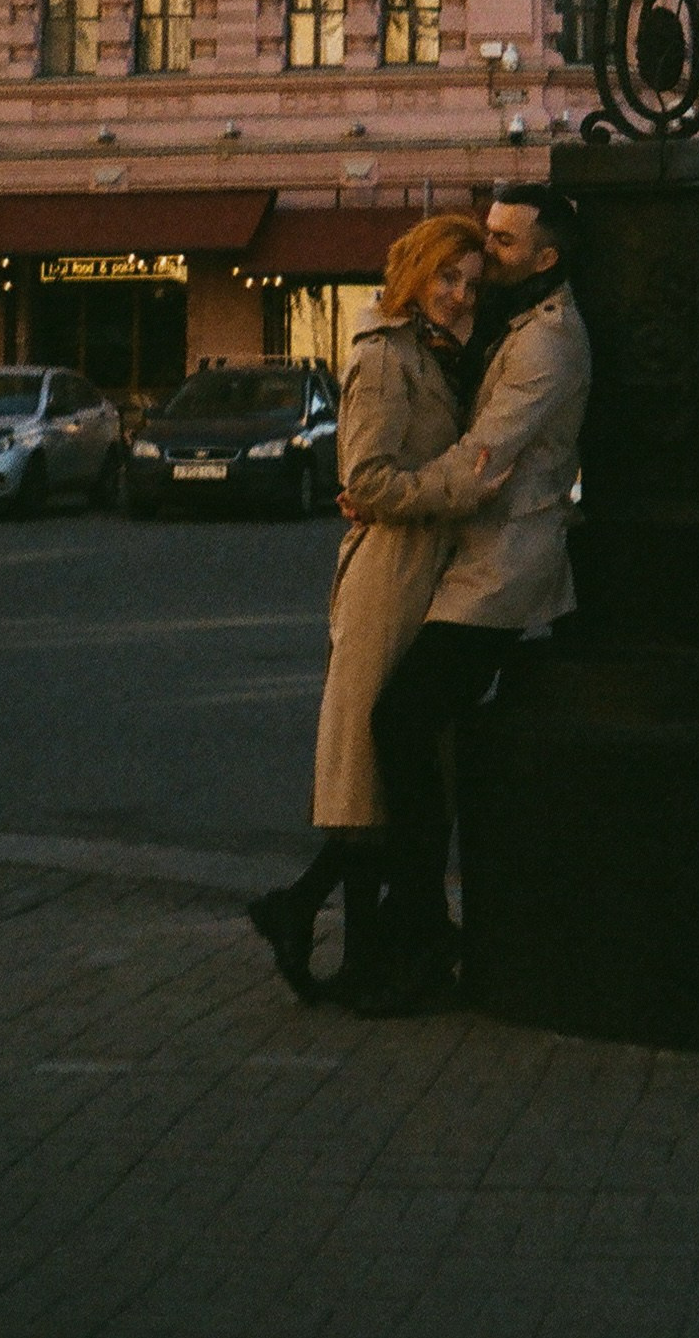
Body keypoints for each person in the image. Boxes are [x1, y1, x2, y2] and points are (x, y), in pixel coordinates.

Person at [354, 185, 592, 1014]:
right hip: (478, 558)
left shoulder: (549, 344)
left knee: (402, 720)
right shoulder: (519, 321)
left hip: (502, 568)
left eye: (501, 240)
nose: (485, 253)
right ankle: (412, 922)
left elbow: (482, 463)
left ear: (545, 256)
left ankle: (420, 930)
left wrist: (386, 492)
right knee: (418, 730)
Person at [247, 213, 490, 1002]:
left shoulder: (437, 355)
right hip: (390, 570)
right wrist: (455, 486)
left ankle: (312, 918)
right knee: (368, 770)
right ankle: (354, 956)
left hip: (422, 567)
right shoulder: (385, 357)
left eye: (471, 284)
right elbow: (368, 479)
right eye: (447, 277)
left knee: (386, 772)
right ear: (416, 275)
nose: (457, 295)